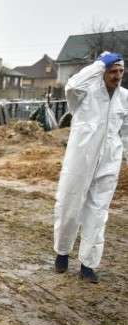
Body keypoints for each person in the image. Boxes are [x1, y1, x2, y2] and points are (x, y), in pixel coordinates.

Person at [54, 51, 128, 284]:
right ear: (102, 72)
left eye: (120, 71)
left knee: (98, 212)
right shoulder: (84, 93)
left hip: (109, 161)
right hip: (80, 160)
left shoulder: (124, 98)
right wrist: (98, 65)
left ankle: (88, 264)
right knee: (70, 204)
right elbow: (72, 84)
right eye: (112, 71)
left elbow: (126, 131)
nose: (117, 76)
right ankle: (62, 252)